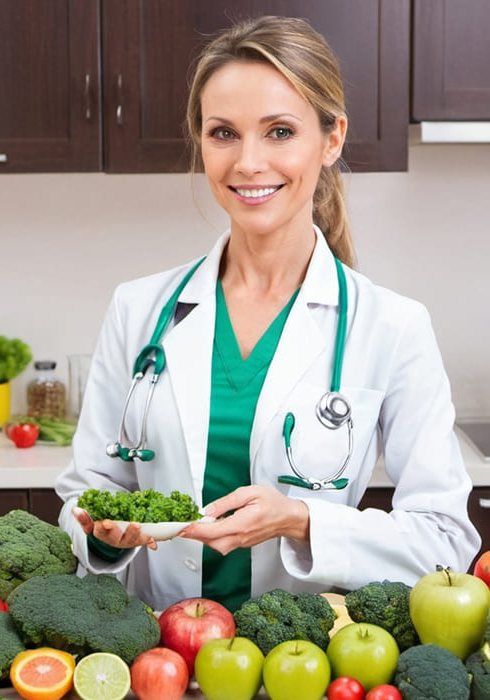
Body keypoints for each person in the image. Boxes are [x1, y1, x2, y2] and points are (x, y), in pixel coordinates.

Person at [55, 15, 480, 613]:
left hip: (299, 661)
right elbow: (88, 488)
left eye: (279, 131)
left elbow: (445, 539)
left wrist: (303, 521)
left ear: (331, 140)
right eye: (223, 133)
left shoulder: (390, 327)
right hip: (155, 650)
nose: (248, 163)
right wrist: (102, 539)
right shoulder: (139, 309)